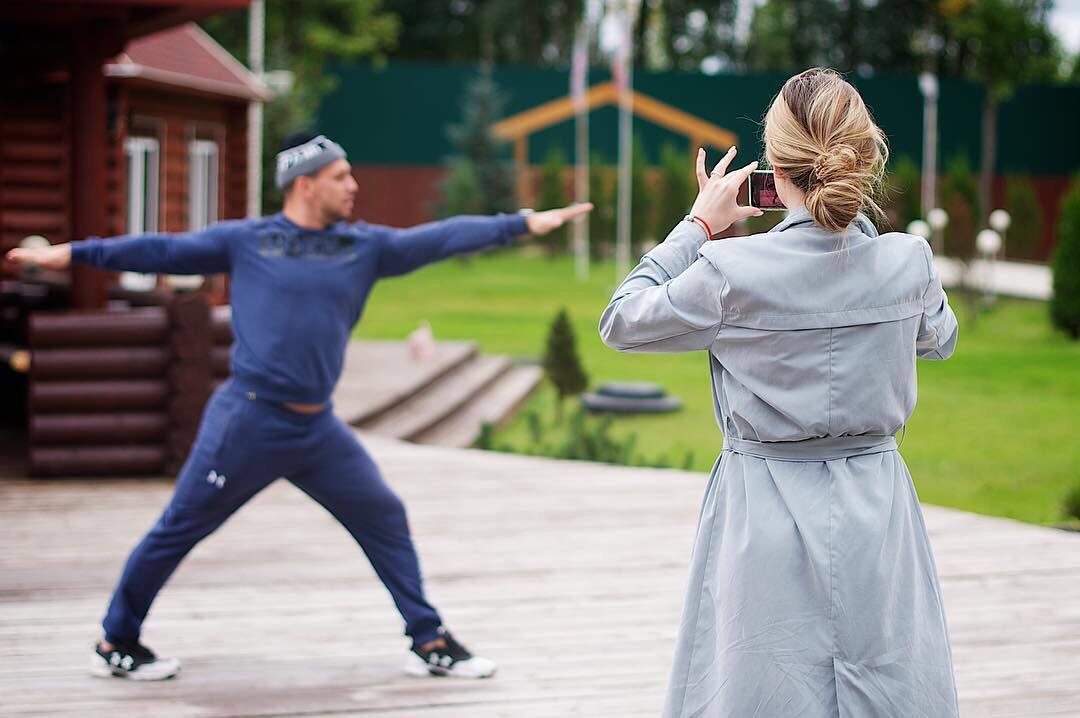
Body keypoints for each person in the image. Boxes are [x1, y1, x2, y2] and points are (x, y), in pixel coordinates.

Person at [6, 131, 591, 682]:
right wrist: (74, 254)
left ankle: (429, 641)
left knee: (383, 515)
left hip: (317, 430)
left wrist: (520, 223)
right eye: (341, 177)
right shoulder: (247, 241)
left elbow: (439, 237)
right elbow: (161, 248)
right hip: (248, 422)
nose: (353, 186)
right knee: (177, 529)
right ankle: (117, 643)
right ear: (304, 185)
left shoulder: (365, 248)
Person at [598, 68, 959, 716]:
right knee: (883, 685)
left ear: (775, 163)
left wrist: (697, 225)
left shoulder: (730, 272)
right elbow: (939, 338)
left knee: (761, 691)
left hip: (764, 510)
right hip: (876, 508)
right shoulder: (909, 261)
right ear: (862, 156)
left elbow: (621, 321)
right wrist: (852, 226)